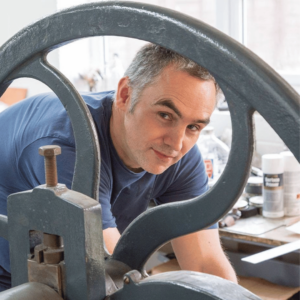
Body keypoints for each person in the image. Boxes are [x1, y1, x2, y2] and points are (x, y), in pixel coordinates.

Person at [0, 43, 237, 291]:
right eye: (165, 115)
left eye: (194, 127)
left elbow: (204, 264)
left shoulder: (179, 154)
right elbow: (113, 273)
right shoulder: (70, 146)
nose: (176, 143)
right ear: (125, 95)